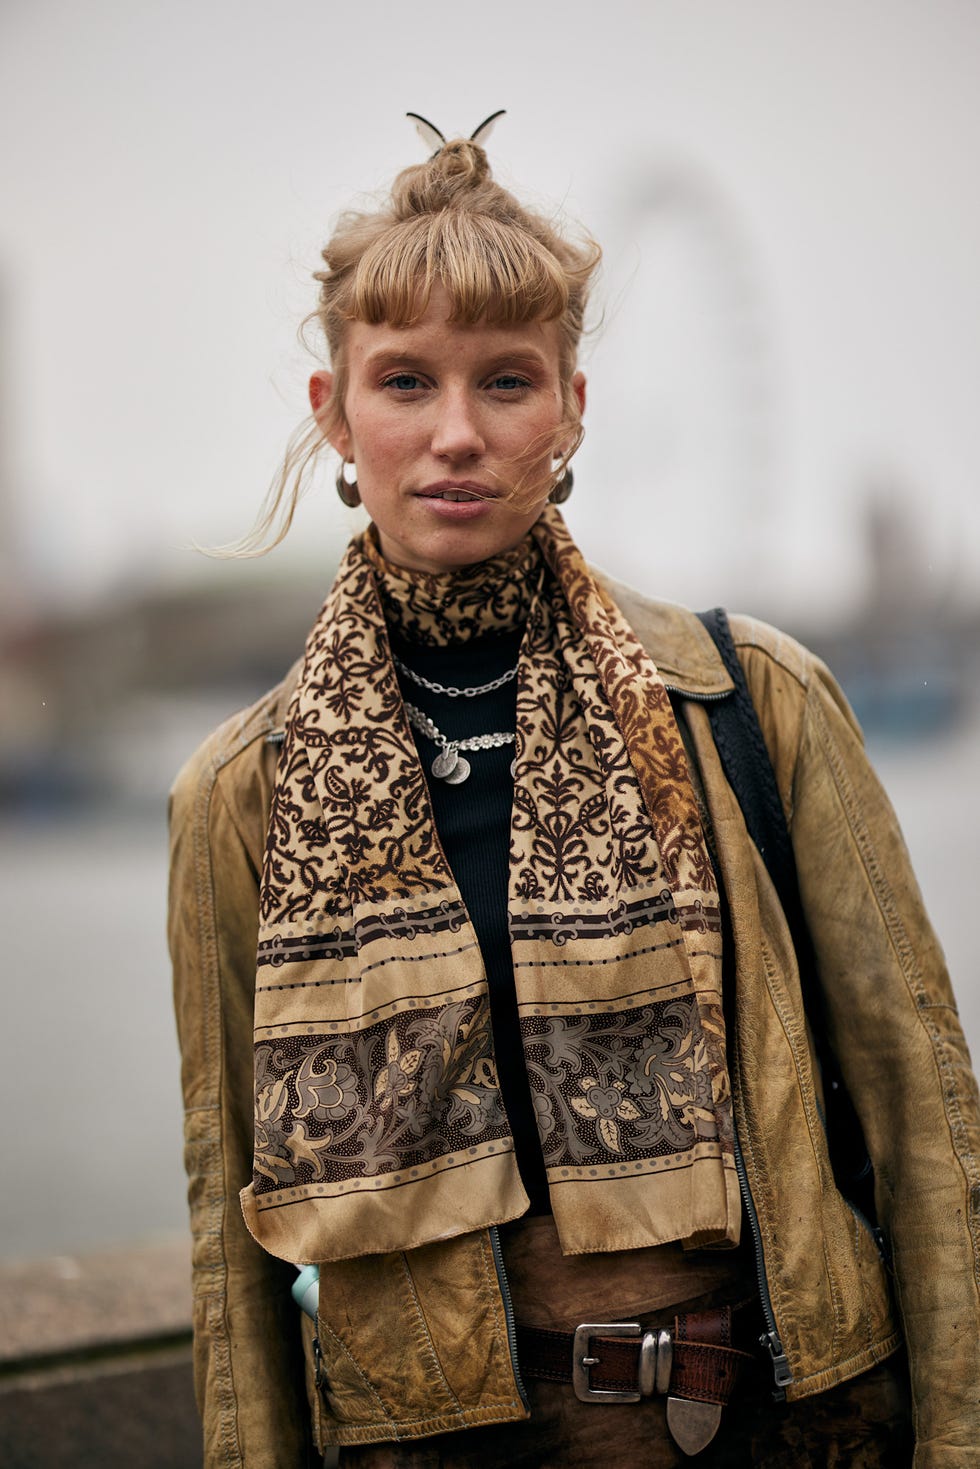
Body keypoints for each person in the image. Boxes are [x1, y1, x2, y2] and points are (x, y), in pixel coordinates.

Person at [168, 122, 980, 1469]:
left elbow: (927, 1122)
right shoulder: (242, 796)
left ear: (575, 404)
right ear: (333, 410)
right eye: (405, 381)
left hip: (766, 1430)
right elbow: (229, 1234)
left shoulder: (752, 705)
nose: (456, 435)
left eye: (507, 381)